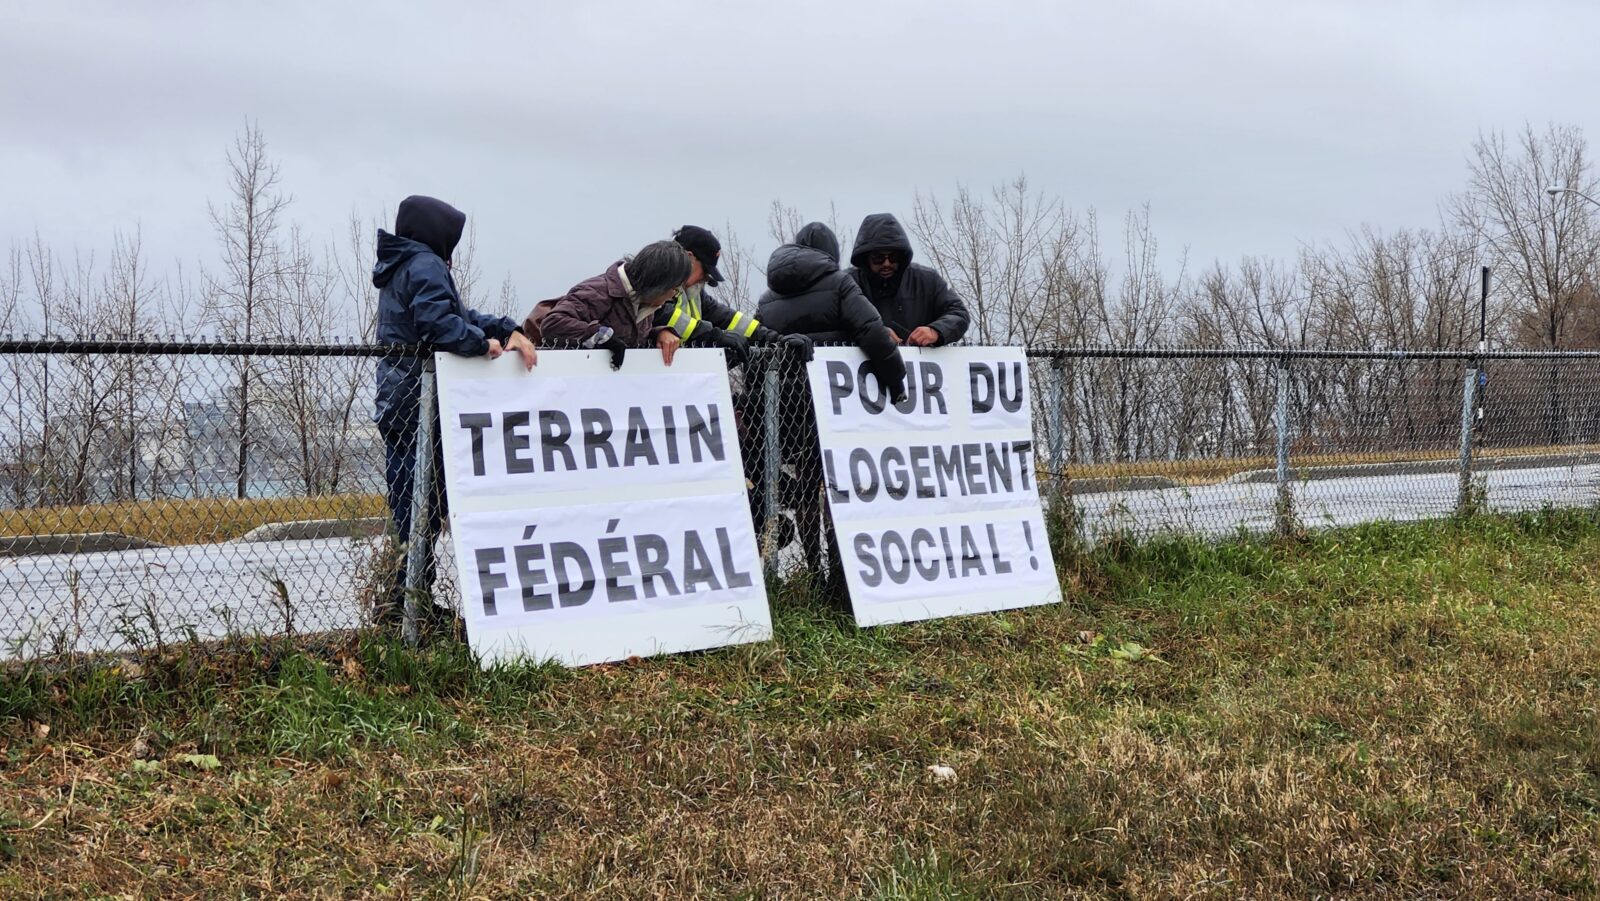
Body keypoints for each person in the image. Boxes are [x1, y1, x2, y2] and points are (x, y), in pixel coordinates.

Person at [372, 194, 536, 629]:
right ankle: (405, 608)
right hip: (415, 401)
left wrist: (504, 328)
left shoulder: (408, 263)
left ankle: (409, 603)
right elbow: (439, 324)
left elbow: (457, 314)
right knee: (418, 505)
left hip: (401, 398)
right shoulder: (424, 265)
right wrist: (482, 345)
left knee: (418, 504)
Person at [751, 221, 908, 575]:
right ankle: (842, 571)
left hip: (789, 406)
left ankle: (813, 569)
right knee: (841, 487)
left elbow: (757, 349)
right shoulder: (839, 284)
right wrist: (897, 381)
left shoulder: (768, 298)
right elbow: (872, 332)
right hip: (837, 406)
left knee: (807, 488)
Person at [654, 225, 811, 367]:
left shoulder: (693, 293)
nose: (704, 280)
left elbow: (729, 319)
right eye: (705, 272)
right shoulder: (657, 278)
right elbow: (662, 315)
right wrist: (717, 336)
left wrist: (775, 339)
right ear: (690, 258)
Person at [524, 240, 694, 366]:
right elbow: (553, 324)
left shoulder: (645, 304)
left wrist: (659, 334)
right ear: (658, 284)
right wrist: (600, 335)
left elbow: (627, 337)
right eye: (674, 289)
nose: (674, 296)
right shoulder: (599, 292)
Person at [848, 212, 971, 346]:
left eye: (893, 257)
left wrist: (936, 331)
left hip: (921, 365)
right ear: (866, 258)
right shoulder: (846, 283)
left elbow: (959, 313)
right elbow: (829, 326)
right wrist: (871, 333)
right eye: (878, 258)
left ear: (902, 257)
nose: (886, 263)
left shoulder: (927, 280)